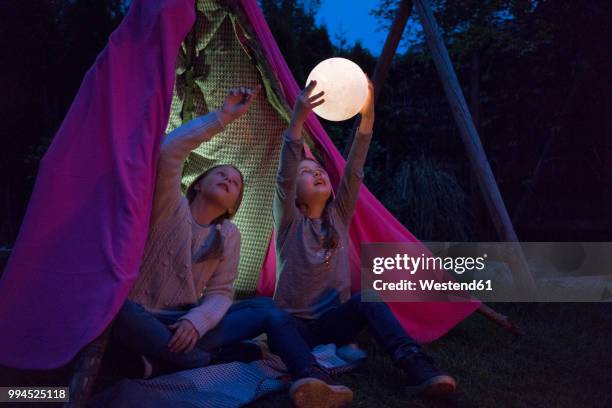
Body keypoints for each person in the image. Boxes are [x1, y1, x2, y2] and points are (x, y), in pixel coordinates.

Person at [113, 85, 352, 408]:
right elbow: (169, 152)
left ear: (231, 207)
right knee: (117, 309)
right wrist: (222, 117)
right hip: (142, 317)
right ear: (197, 184)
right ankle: (200, 363)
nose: (229, 179)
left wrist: (196, 321)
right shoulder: (170, 207)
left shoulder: (228, 235)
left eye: (236, 183)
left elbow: (221, 292)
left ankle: (310, 375)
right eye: (221, 174)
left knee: (266, 308)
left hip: (187, 325)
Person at [273, 79, 458, 398]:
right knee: (272, 319)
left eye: (319, 170)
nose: (316, 173)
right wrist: (298, 119)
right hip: (295, 327)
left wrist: (368, 118)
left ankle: (416, 367)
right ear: (296, 194)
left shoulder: (339, 217)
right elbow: (285, 175)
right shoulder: (290, 221)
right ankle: (312, 379)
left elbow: (354, 168)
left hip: (333, 324)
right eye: (306, 172)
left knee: (366, 298)